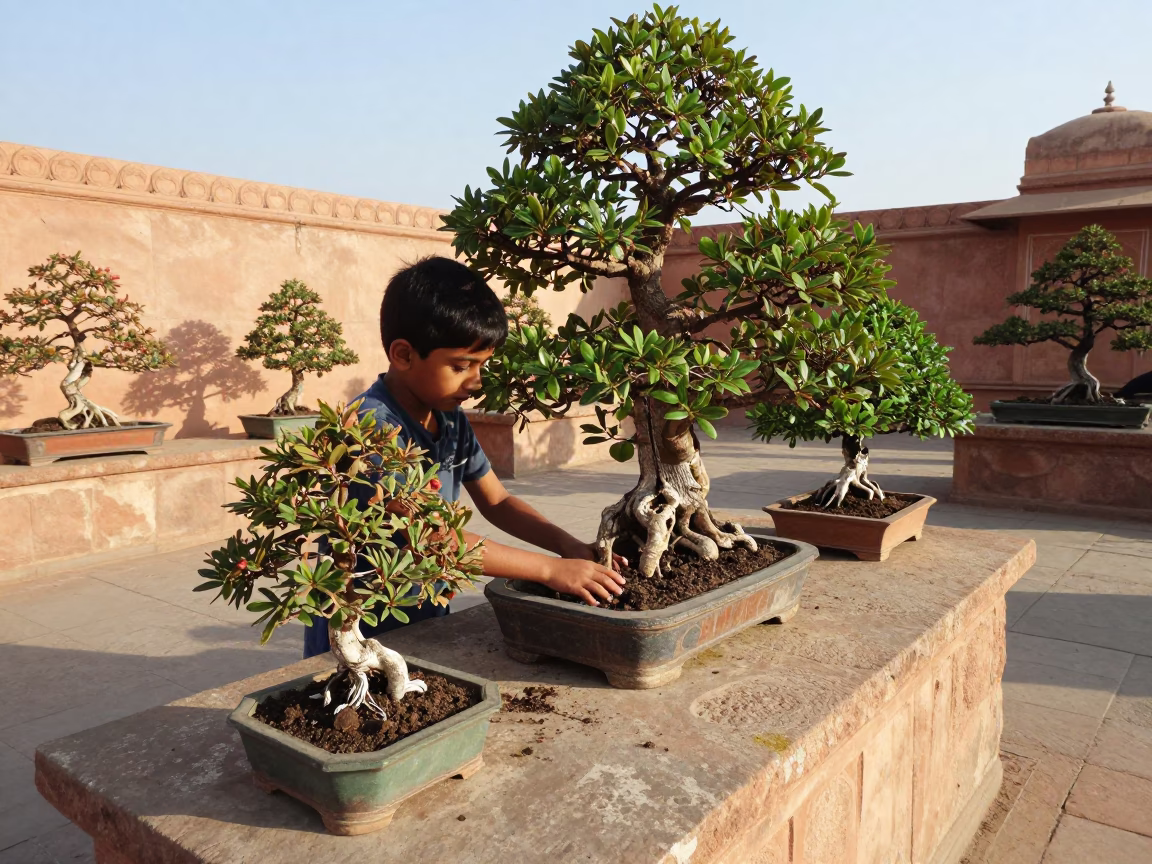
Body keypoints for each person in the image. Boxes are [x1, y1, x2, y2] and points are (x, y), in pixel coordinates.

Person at [303, 256, 626, 659]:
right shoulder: (371, 427)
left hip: (422, 605)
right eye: (461, 366)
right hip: (362, 622)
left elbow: (498, 501)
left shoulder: (449, 418)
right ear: (403, 354)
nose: (475, 381)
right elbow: (435, 539)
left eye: (482, 365)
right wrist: (549, 571)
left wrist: (567, 545)